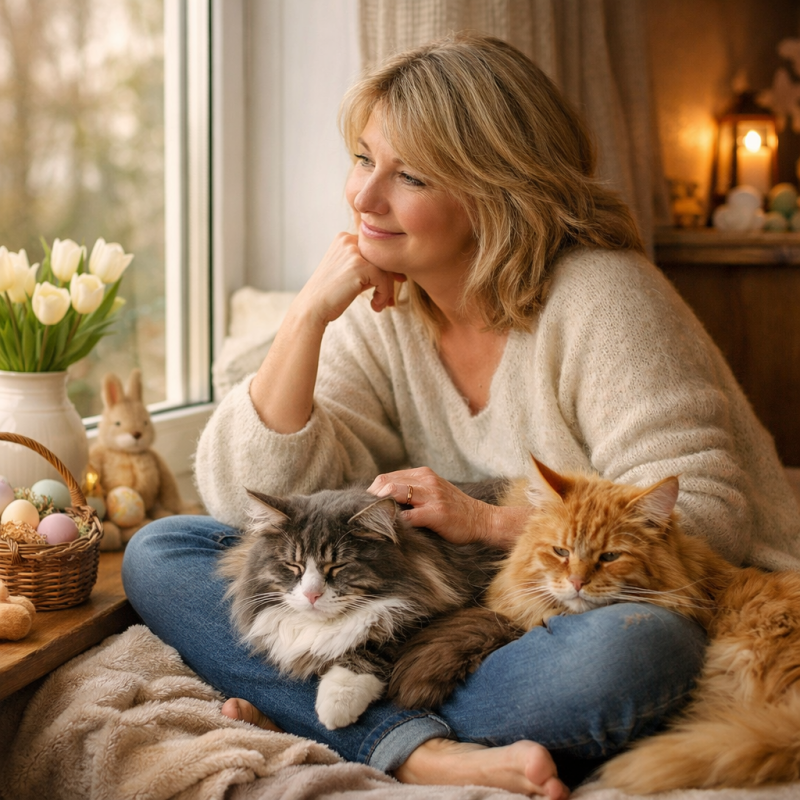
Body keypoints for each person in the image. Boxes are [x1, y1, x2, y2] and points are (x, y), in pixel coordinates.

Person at [122, 33, 800, 798]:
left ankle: (353, 721)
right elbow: (245, 495)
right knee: (162, 550)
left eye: (408, 175)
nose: (364, 197)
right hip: (459, 617)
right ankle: (417, 747)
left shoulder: (603, 298)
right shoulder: (383, 310)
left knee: (631, 655)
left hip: (657, 607)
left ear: (499, 191)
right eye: (362, 157)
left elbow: (707, 519)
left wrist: (485, 523)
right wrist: (306, 318)